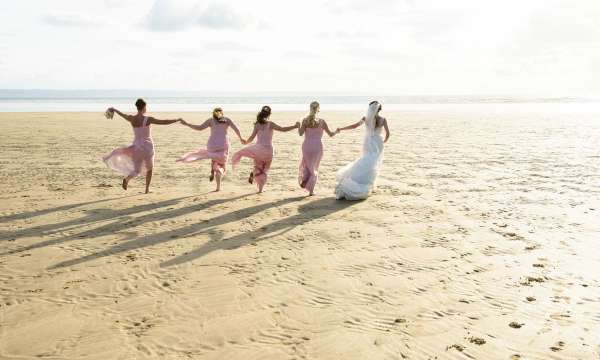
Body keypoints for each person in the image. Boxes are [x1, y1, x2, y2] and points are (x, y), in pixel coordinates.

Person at [103, 99, 181, 194]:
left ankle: (127, 179)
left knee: (137, 170)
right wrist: (176, 120)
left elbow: (123, 115)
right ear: (144, 107)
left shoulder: (132, 118)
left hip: (136, 148)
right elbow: (163, 122)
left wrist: (114, 109)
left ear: (137, 107)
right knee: (150, 168)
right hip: (147, 148)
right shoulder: (148, 119)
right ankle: (147, 189)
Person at [231, 106, 299, 193]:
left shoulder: (257, 125)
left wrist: (245, 142)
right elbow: (283, 129)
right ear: (269, 114)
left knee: (257, 167)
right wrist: (295, 126)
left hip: (258, 150)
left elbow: (251, 138)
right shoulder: (270, 124)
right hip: (268, 151)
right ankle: (260, 189)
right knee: (265, 169)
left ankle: (254, 174)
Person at [178, 107, 244, 192]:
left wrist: (187, 124)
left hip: (212, 144)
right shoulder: (227, 120)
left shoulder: (210, 120)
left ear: (213, 113)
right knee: (222, 163)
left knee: (214, 159)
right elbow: (236, 129)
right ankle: (218, 178)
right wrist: (241, 138)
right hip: (223, 144)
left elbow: (199, 128)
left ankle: (213, 173)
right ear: (222, 113)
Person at [334, 101, 390, 200]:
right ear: (379, 109)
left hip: (368, 142)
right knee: (374, 163)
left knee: (366, 160)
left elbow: (354, 126)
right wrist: (383, 141)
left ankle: (362, 181)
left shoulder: (366, 118)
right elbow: (388, 133)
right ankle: (368, 183)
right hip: (378, 142)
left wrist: (341, 129)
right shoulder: (383, 119)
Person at [298, 101, 337, 196]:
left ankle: (305, 180)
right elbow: (331, 134)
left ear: (310, 108)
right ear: (318, 109)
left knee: (307, 164)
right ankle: (311, 190)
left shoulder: (305, 120)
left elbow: (300, 133)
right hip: (318, 146)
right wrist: (337, 131)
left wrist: (298, 125)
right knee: (314, 167)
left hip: (307, 145)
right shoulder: (322, 121)